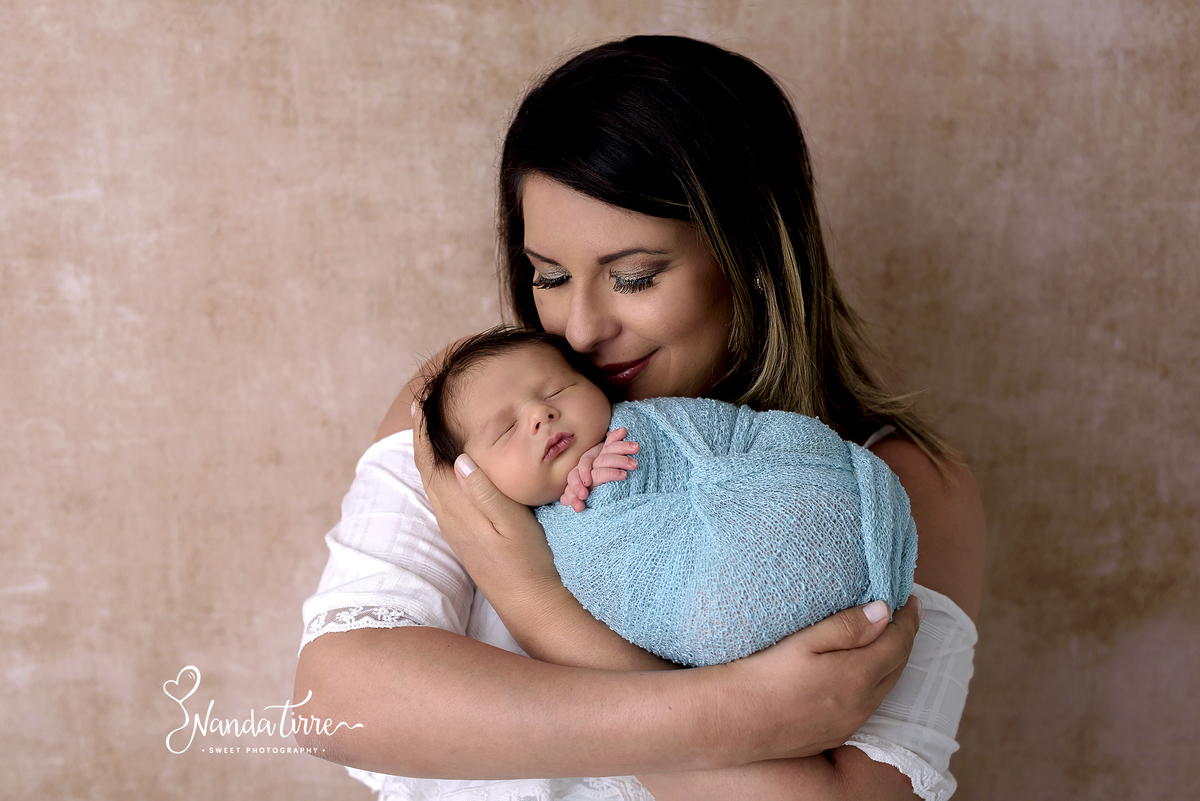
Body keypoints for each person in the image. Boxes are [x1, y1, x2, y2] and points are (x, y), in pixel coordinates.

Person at [294, 34, 985, 801]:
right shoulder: (479, 408)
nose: (581, 329)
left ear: (750, 253)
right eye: (549, 275)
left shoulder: (898, 481)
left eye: (633, 276)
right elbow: (336, 701)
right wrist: (742, 714)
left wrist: (536, 601)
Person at [416, 325, 918, 668]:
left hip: (774, 505)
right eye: (506, 430)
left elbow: (720, 437)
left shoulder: (638, 426)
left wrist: (616, 471)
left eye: (555, 392)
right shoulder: (526, 532)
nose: (539, 416)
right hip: (705, 592)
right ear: (474, 477)